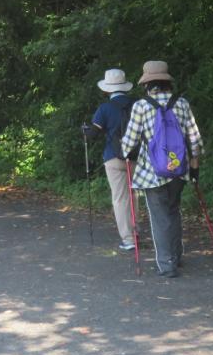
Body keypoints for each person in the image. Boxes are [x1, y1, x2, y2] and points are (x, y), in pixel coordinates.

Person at [121, 61, 203, 278]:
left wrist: (129, 153)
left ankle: (167, 265)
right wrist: (194, 169)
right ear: (167, 81)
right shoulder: (182, 103)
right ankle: (176, 256)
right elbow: (195, 140)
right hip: (179, 170)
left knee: (160, 218)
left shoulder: (141, 106)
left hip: (152, 173)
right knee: (173, 212)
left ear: (147, 83)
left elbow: (128, 143)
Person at [82, 68, 137, 251]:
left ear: (107, 89)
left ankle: (128, 239)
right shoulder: (137, 104)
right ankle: (135, 232)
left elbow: (93, 134)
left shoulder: (104, 108)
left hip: (113, 157)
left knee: (120, 198)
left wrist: (84, 130)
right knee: (134, 195)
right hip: (136, 156)